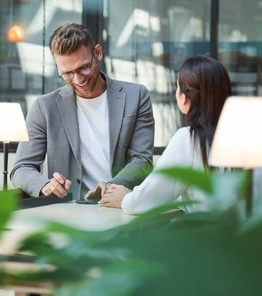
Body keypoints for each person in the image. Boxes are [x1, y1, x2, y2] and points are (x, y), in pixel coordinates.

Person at [10, 23, 155, 200]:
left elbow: (143, 161)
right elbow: (21, 168)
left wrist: (109, 188)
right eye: (67, 73)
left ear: (98, 53)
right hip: (68, 214)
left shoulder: (136, 96)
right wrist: (46, 185)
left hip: (120, 207)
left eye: (83, 67)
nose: (78, 79)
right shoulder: (44, 107)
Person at [98, 56, 232, 214]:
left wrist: (125, 198)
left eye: (177, 87)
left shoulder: (189, 139)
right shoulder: (247, 138)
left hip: (207, 236)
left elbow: (151, 198)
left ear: (184, 98)